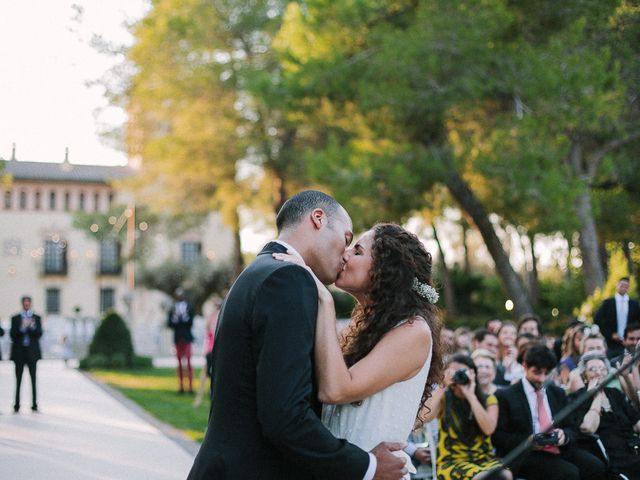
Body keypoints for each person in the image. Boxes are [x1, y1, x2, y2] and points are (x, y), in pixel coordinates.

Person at [187, 191, 408, 480]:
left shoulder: (260, 269)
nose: (346, 253)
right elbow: (285, 417)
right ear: (318, 218)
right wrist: (368, 466)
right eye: (346, 238)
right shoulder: (289, 279)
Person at [275, 222, 443, 479]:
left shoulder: (413, 331)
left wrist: (324, 299)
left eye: (357, 251)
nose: (345, 254)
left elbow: (336, 390)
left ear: (386, 271)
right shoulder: (366, 330)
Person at [492, 344, 605, 480]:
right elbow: (498, 437)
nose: (542, 379)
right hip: (525, 454)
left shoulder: (556, 393)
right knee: (568, 473)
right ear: (525, 366)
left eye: (547, 373)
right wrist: (528, 442)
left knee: (595, 466)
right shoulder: (506, 396)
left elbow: (572, 426)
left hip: (558, 448)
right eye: (537, 372)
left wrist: (564, 436)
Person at [424, 353, 511, 480]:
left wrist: (470, 395)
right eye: (455, 372)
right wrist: (442, 385)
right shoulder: (444, 398)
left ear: (473, 374)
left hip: (484, 459)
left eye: (462, 372)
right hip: (452, 461)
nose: (459, 376)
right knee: (481, 477)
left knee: (505, 475)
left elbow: (488, 429)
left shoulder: (489, 399)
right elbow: (424, 417)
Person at [569, 352, 640, 480]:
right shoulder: (578, 398)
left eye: (602, 369)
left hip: (632, 449)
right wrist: (596, 395)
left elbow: (636, 425)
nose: (598, 372)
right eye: (592, 369)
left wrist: (626, 377)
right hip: (608, 455)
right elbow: (588, 428)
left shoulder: (615, 394)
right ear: (584, 376)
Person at [10, 295, 43, 413]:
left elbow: (39, 334)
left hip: (32, 354)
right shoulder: (15, 318)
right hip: (19, 354)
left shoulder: (36, 318)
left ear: (30, 304)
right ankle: (16, 405)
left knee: (33, 380)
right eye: (25, 303)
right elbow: (12, 335)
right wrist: (22, 328)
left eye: (28, 303)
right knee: (18, 380)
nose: (26, 305)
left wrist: (32, 327)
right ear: (22, 304)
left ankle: (34, 404)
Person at [595, 277, 640, 358]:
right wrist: (611, 334)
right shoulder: (608, 303)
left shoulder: (634, 304)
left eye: (626, 286)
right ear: (617, 285)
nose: (623, 287)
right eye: (621, 285)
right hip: (612, 343)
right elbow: (598, 319)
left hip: (632, 342)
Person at [167, 287, 195, 394]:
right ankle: (181, 386)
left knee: (188, 362)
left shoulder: (190, 306)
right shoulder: (172, 308)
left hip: (187, 338)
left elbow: (191, 322)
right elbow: (169, 323)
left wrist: (179, 320)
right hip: (177, 338)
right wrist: (180, 320)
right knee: (179, 363)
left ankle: (190, 387)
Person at [193, 301, 220, 407]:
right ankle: (199, 397)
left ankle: (212, 396)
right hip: (210, 350)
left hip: (217, 350)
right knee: (205, 374)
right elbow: (208, 327)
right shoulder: (212, 317)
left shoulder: (220, 317)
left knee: (214, 374)